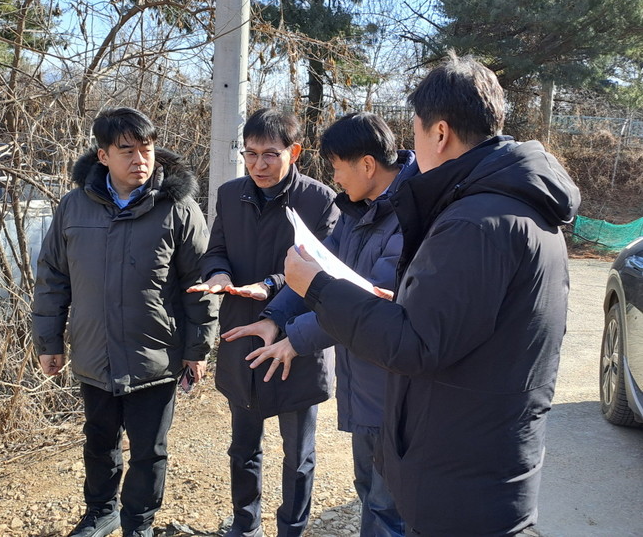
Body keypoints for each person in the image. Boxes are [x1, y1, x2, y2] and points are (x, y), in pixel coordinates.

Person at [283, 52, 581, 536]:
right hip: (484, 457)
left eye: (417, 131)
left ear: (439, 133)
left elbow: (416, 344)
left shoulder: (476, 223)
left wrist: (316, 288)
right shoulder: (510, 209)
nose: (412, 146)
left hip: (464, 477)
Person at [223, 112, 418, 536]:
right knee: (371, 493)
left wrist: (295, 340)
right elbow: (317, 268)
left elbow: (369, 302)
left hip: (395, 382)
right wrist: (274, 319)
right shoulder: (358, 209)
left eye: (337, 167)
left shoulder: (408, 216)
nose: (335, 178)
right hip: (364, 378)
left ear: (367, 165)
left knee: (388, 505)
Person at [32, 107, 218, 537]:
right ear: (103, 156)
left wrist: (197, 350)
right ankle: (101, 512)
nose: (140, 160)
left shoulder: (178, 209)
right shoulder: (74, 206)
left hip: (155, 356)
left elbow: (200, 285)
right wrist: (48, 341)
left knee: (149, 451)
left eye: (146, 149)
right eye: (127, 150)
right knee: (99, 442)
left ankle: (139, 523)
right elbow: (53, 277)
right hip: (94, 353)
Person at [187, 108, 339, 537]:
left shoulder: (320, 200)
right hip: (242, 334)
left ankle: (292, 528)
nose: (258, 165)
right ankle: (245, 523)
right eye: (250, 154)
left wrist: (270, 285)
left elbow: (323, 270)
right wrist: (218, 274)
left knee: (298, 455)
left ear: (295, 151)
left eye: (270, 154)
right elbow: (216, 250)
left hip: (298, 338)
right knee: (243, 447)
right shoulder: (230, 194)